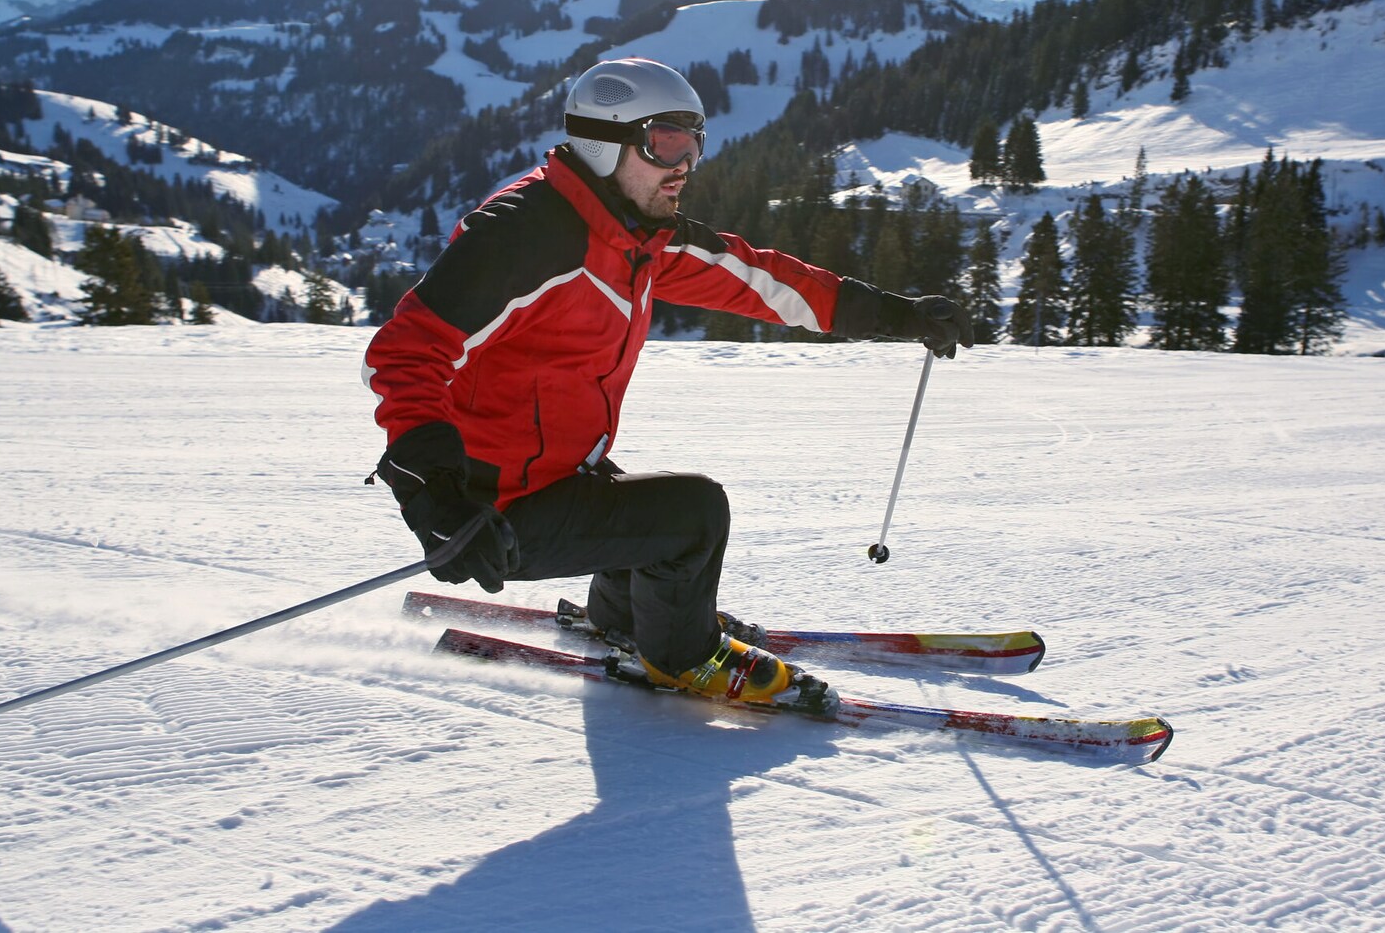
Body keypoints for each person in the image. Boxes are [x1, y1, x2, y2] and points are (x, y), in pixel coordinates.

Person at [363, 56, 972, 710]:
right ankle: (681, 657)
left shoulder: (635, 240)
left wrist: (902, 314)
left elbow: (764, 280)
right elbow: (404, 353)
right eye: (666, 143)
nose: (684, 164)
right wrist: (436, 497)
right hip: (484, 514)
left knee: (628, 497)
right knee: (694, 516)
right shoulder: (527, 236)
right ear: (605, 144)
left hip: (550, 474)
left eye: (694, 144)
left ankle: (629, 619)